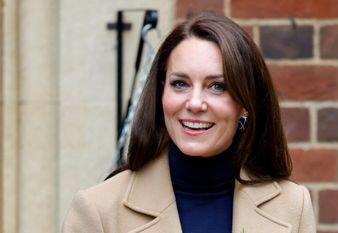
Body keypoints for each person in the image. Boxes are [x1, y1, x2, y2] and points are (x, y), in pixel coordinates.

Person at [63, 12, 316, 233]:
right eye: (180, 84)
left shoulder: (293, 206)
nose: (195, 103)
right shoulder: (98, 210)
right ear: (162, 93)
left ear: (245, 105)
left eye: (217, 86)